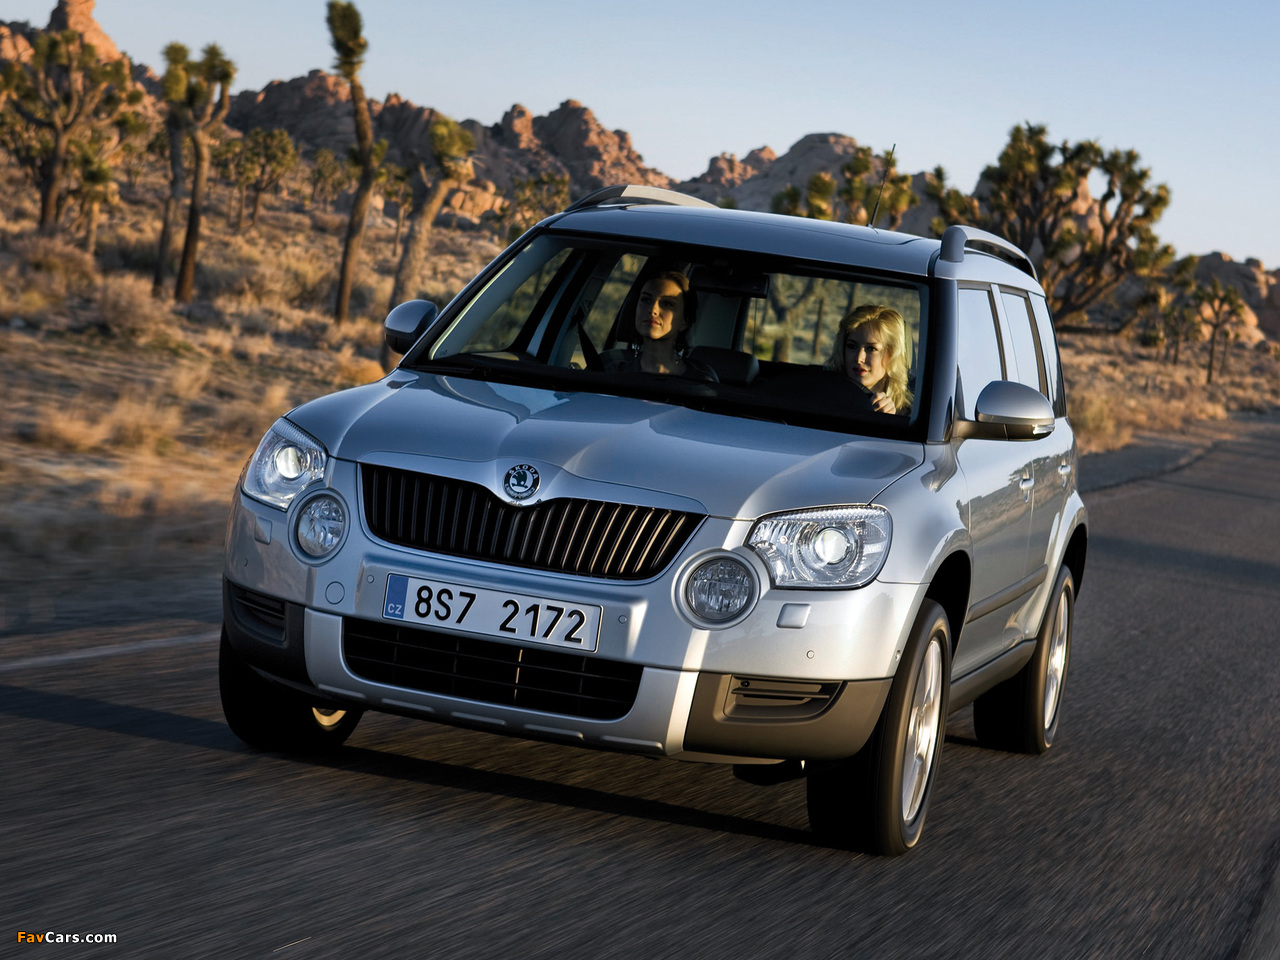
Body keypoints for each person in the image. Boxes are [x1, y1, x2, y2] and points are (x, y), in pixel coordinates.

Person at [604, 271, 718, 381]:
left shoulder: (700, 384)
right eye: (646, 300)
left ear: (685, 321)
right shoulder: (612, 374)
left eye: (667, 303)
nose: (653, 310)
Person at [824, 304, 913, 415]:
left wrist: (888, 419)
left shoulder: (911, 414)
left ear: (892, 354)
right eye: (852, 346)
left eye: (871, 349)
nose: (859, 358)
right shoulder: (824, 398)